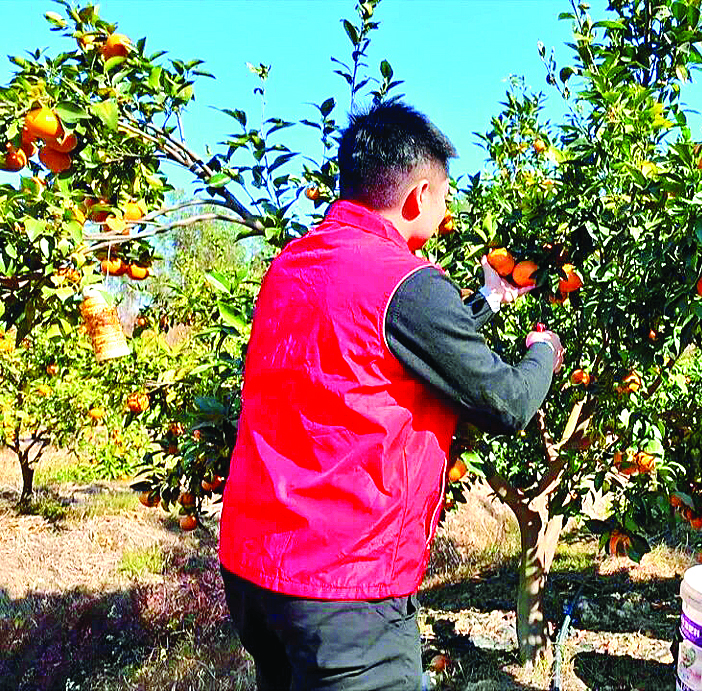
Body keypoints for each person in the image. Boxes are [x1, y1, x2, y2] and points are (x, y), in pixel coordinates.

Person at [217, 100, 563, 691]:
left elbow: (387, 345)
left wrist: (487, 301)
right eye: (445, 196)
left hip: (255, 570)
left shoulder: (292, 266)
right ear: (418, 196)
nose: (447, 210)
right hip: (344, 586)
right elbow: (506, 402)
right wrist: (543, 353)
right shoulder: (406, 280)